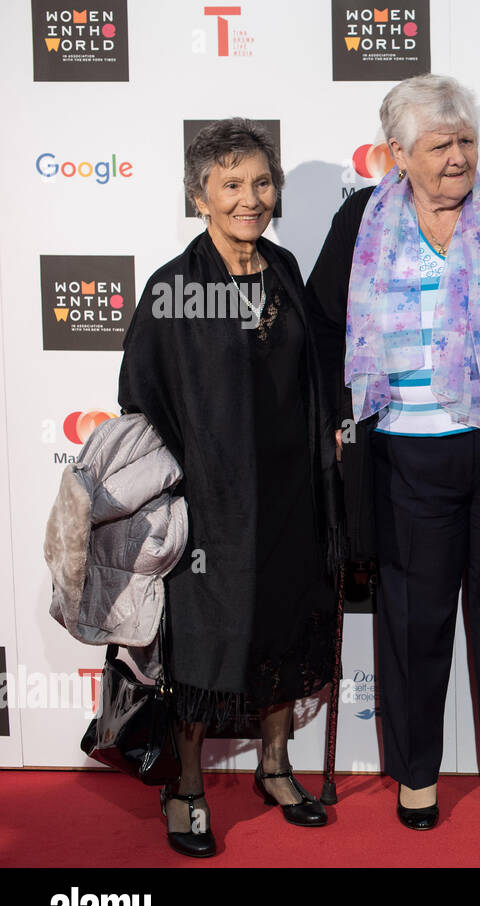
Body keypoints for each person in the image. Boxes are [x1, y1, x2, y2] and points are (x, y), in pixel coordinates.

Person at [304, 74, 480, 830]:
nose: (459, 157)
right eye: (439, 145)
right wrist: (338, 412)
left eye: (466, 141)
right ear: (397, 154)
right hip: (401, 460)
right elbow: (324, 326)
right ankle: (416, 774)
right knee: (410, 623)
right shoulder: (361, 222)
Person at [119, 118, 342, 857]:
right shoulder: (176, 289)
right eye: (232, 185)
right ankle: (185, 787)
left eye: (261, 182)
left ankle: (274, 767)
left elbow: (313, 375)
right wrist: (179, 491)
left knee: (281, 626)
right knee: (200, 649)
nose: (251, 198)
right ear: (200, 195)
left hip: (288, 497)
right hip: (209, 506)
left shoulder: (281, 267)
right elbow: (141, 398)